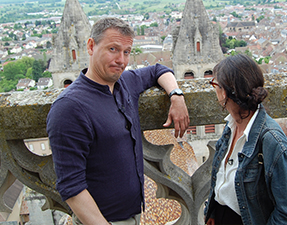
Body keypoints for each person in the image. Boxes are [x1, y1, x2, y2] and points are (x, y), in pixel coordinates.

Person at [47, 17, 189, 225]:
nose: (121, 60)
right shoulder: (69, 108)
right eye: (112, 49)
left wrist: (176, 96)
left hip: (134, 215)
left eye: (127, 52)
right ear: (91, 46)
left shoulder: (124, 83)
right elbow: (71, 186)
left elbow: (159, 70)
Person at [204, 54, 287, 225]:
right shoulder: (231, 125)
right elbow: (223, 177)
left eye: (216, 84)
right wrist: (213, 211)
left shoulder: (275, 144)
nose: (214, 89)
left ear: (226, 92)